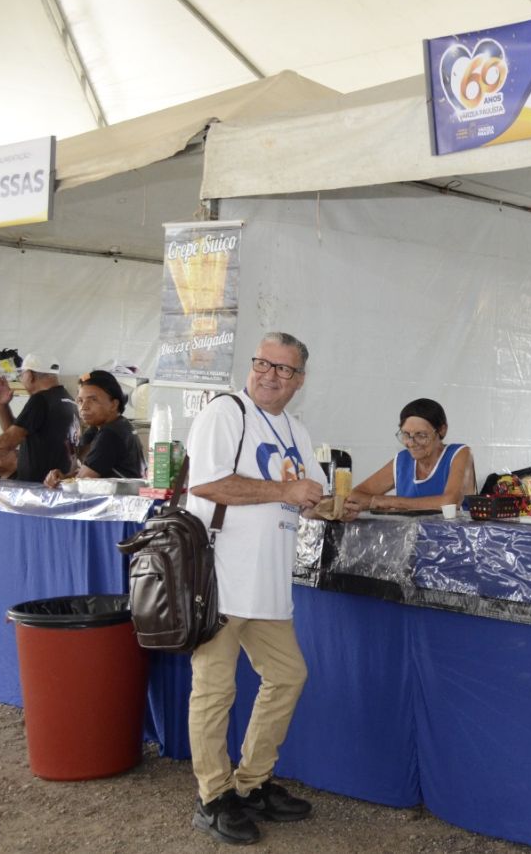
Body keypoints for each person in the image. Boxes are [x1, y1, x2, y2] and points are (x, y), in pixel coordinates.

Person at [183, 333, 354, 845]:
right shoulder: (225, 412)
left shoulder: (296, 431)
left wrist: (333, 505)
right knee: (214, 691)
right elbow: (208, 484)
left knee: (287, 675)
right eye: (264, 363)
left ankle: (252, 783)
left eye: (284, 370)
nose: (270, 375)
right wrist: (286, 490)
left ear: (299, 381)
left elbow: (304, 499)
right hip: (218, 578)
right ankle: (213, 798)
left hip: (267, 583)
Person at [0, 352, 78, 481]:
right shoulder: (68, 400)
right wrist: (2, 407)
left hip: (40, 490)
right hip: (56, 487)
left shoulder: (41, 399)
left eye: (21, 375)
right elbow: (19, 434)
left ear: (30, 375)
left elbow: (8, 440)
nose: (21, 379)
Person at [347, 398, 476, 512]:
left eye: (421, 435)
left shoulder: (460, 454)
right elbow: (356, 495)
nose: (411, 443)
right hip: (410, 538)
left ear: (442, 430)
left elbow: (450, 502)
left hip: (454, 538)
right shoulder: (402, 461)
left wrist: (390, 502)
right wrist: (376, 501)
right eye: (406, 435)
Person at [43, 370, 144, 487]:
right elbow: (92, 470)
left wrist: (57, 482)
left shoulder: (110, 434)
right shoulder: (120, 425)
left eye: (93, 400)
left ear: (114, 404)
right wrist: (65, 477)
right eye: (80, 401)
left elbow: (82, 481)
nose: (84, 407)